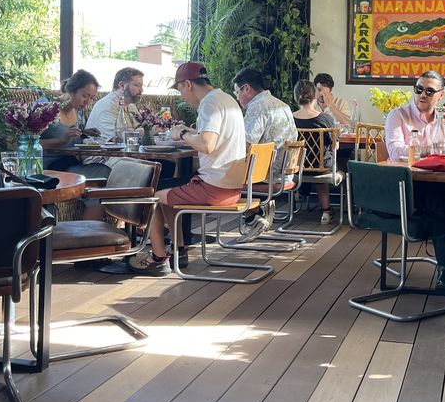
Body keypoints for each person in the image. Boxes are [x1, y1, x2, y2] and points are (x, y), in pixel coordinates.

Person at [130, 62, 247, 275]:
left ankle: (158, 258)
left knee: (152, 195)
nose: (182, 96)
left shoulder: (209, 103)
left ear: (188, 84)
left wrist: (183, 134)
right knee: (166, 189)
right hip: (231, 185)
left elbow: (207, 144)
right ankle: (179, 250)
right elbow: (215, 138)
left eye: (180, 90)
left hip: (214, 187)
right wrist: (190, 131)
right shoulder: (226, 99)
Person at [384, 71, 445, 290]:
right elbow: (395, 152)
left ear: (441, 95)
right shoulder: (398, 115)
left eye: (429, 91)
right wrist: (431, 150)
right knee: (440, 203)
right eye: (418, 89)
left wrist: (424, 152)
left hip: (439, 184)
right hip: (404, 187)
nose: (422, 94)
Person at [232, 67, 297, 239]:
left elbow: (245, 143)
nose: (237, 97)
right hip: (285, 173)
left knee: (220, 177)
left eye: (237, 92)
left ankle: (254, 217)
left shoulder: (258, 107)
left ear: (247, 88)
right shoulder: (282, 105)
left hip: (268, 175)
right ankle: (260, 212)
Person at [39, 70, 108, 178]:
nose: (88, 102)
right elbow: (28, 143)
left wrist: (83, 133)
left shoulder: (78, 112)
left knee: (108, 170)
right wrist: (61, 140)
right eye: (84, 96)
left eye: (91, 98)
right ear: (71, 91)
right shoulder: (47, 109)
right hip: (48, 169)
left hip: (70, 164)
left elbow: (67, 135)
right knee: (104, 172)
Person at [293, 79, 335, 223]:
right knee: (321, 164)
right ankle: (326, 212)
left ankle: (299, 194)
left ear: (296, 97)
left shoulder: (290, 119)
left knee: (307, 162)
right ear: (315, 96)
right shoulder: (325, 119)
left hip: (296, 167)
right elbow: (335, 146)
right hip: (320, 168)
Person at [85, 67, 144, 142]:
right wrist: (146, 132)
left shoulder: (131, 106)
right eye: (137, 85)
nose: (141, 90)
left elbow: (138, 130)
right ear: (122, 85)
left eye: (141, 86)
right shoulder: (107, 106)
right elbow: (119, 139)